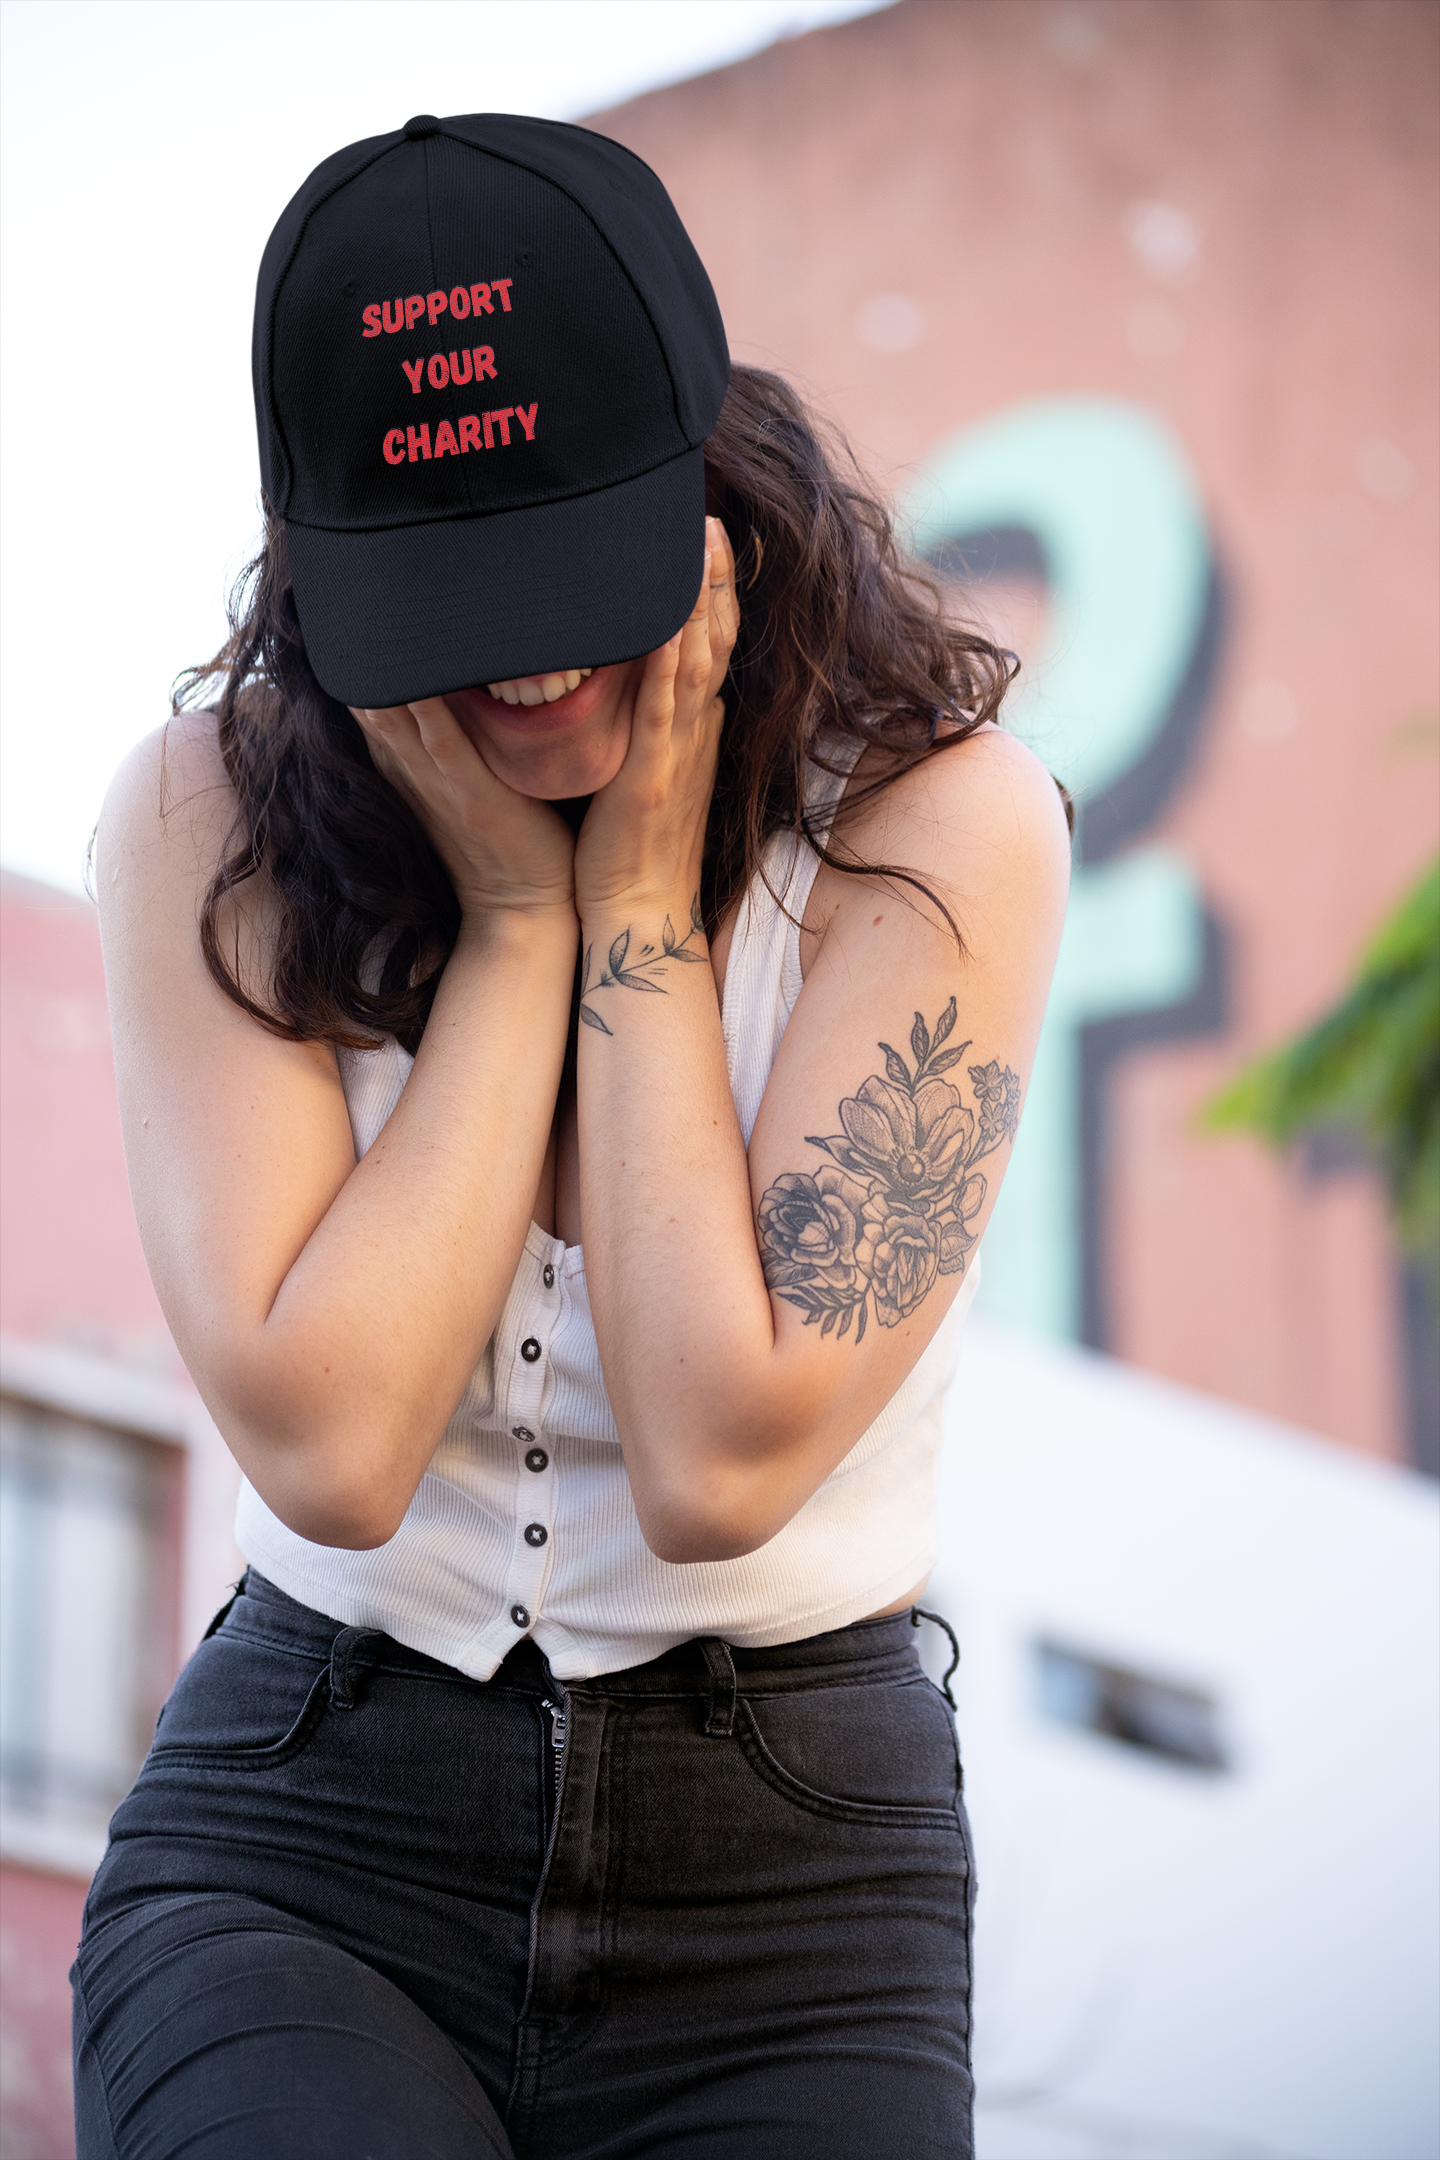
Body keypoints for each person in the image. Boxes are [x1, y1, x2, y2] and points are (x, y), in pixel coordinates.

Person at [71, 113, 1069, 2160]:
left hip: (790, 1896)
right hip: (307, 1843)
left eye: (568, 568)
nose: (527, 659)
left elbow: (719, 1463)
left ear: (707, 494)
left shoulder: (934, 827)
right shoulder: (204, 817)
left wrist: (634, 908)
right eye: (449, 595)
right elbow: (336, 1454)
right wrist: (522, 926)